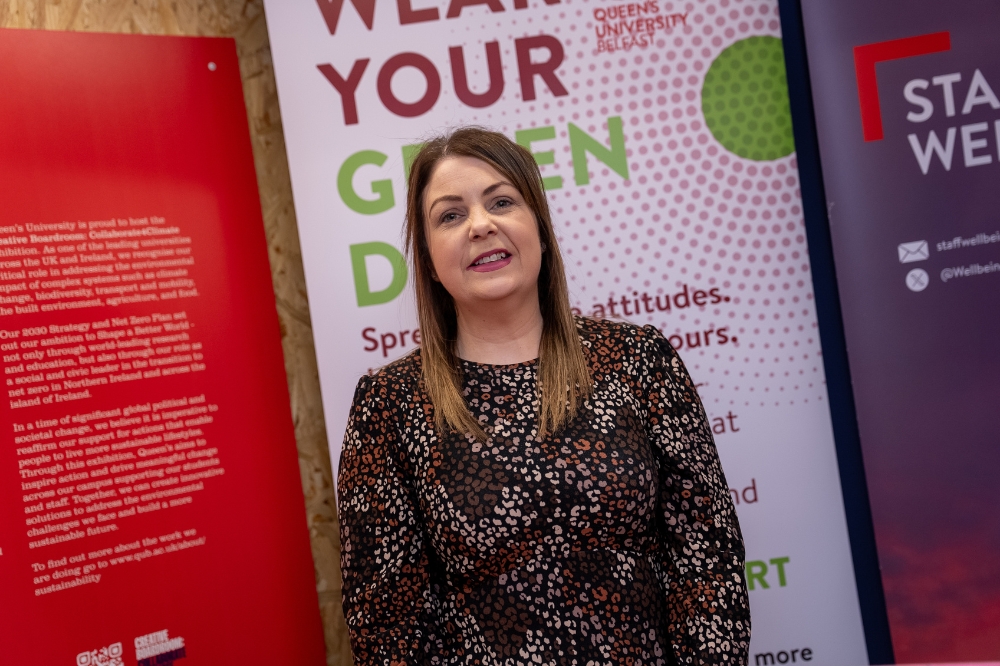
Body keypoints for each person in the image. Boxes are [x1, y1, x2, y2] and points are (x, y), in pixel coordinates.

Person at [338, 127, 750, 666]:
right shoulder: (390, 403)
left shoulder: (637, 359)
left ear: (539, 227)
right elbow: (387, 621)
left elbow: (707, 557)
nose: (481, 225)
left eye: (501, 202)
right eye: (450, 215)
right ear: (430, 261)